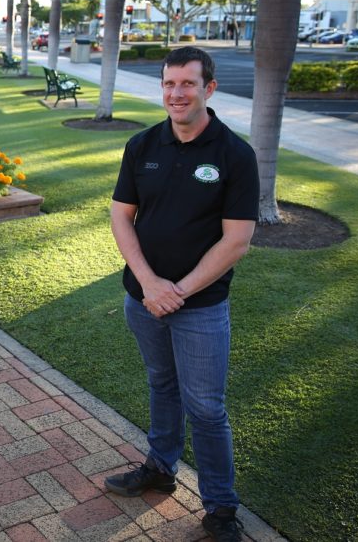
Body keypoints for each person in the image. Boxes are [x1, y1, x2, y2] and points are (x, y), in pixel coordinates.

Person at [105, 47, 258, 542]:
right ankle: (160, 467)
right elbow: (120, 217)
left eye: (187, 84)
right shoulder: (142, 145)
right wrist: (150, 285)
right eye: (169, 84)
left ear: (209, 88)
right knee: (161, 386)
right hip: (142, 299)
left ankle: (219, 509)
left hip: (201, 309)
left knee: (207, 408)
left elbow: (236, 241)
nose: (176, 93)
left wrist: (179, 292)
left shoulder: (235, 154)